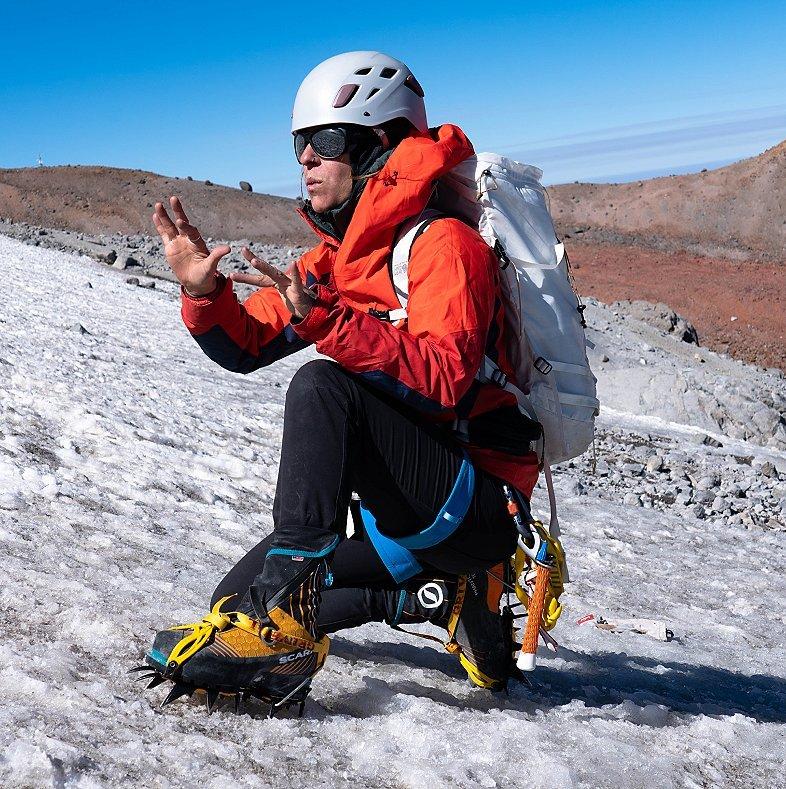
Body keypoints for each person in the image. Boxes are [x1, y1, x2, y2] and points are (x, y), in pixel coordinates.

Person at [144, 51, 542, 712]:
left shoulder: (445, 245)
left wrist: (328, 323)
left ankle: (287, 624)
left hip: (475, 506)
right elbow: (247, 347)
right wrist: (205, 293)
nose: (305, 159)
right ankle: (435, 595)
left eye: (324, 142)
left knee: (322, 386)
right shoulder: (335, 263)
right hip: (400, 513)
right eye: (301, 144)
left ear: (378, 145)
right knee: (226, 605)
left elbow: (446, 380)